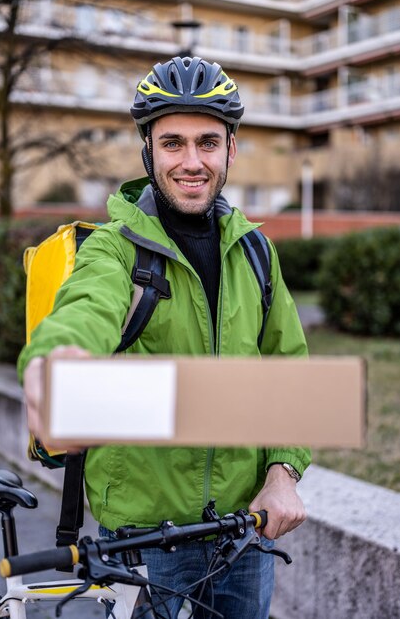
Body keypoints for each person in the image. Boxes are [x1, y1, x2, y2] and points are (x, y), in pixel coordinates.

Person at [18, 56, 311, 618]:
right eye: (173, 143)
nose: (192, 161)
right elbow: (85, 309)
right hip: (146, 538)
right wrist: (57, 361)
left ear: (231, 147)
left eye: (208, 142)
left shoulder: (255, 251)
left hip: (246, 530)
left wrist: (282, 475)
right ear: (148, 150)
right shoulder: (113, 248)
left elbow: (287, 371)